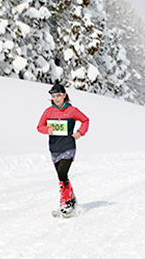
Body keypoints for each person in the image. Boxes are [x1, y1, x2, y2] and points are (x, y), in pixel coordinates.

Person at [37, 83, 89, 217]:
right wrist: (47, 129)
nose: (55, 98)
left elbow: (85, 120)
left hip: (68, 147)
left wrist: (79, 133)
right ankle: (70, 199)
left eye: (58, 95)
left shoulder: (72, 110)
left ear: (64, 95)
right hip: (54, 148)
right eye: (53, 96)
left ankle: (65, 202)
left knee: (62, 174)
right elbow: (39, 126)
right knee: (61, 177)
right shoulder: (48, 111)